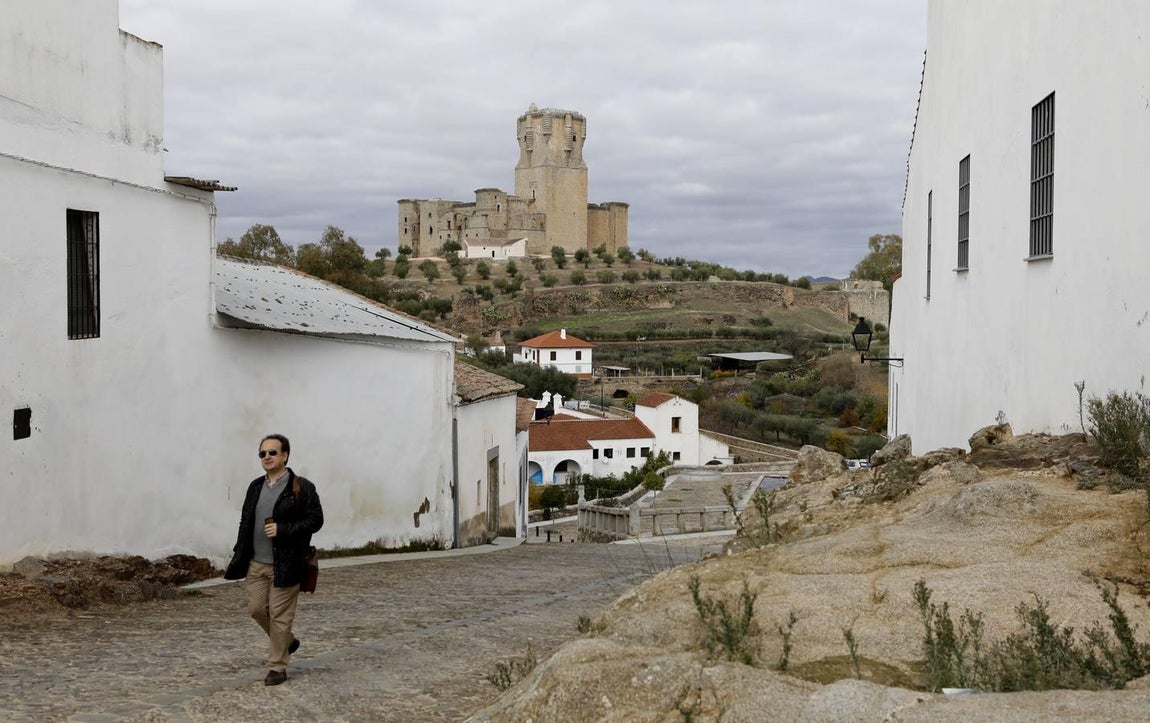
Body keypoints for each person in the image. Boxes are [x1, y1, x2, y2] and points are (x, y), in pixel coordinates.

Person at [224, 434, 323, 686]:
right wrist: (240, 550)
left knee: (280, 616)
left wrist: (284, 530)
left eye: (272, 453)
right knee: (256, 610)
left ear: (285, 455)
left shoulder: (302, 487)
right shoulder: (255, 486)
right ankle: (288, 641)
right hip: (256, 562)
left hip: (287, 563)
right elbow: (246, 520)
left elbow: (315, 520)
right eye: (262, 454)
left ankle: (277, 666)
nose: (267, 457)